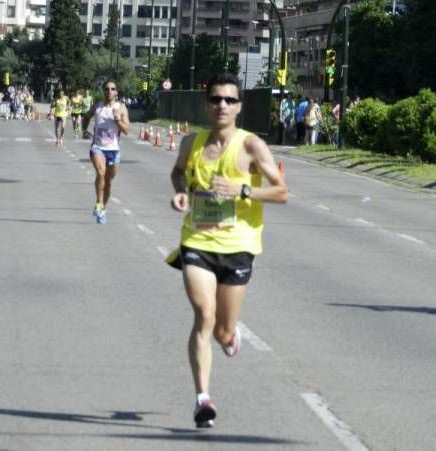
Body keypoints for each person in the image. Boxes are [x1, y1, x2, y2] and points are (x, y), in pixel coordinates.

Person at [167, 72, 288, 428]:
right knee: (203, 314)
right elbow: (177, 173)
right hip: (198, 240)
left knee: (222, 330)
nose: (222, 105)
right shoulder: (191, 142)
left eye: (229, 100)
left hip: (238, 245)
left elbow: (281, 192)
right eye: (216, 99)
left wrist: (243, 191)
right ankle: (202, 398)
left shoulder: (252, 146)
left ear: (239, 107)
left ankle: (228, 337)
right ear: (207, 104)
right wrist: (180, 192)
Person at [82, 80, 129, 224]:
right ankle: (98, 201)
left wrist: (118, 120)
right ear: (103, 91)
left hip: (113, 150)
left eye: (112, 89)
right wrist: (85, 130)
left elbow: (126, 130)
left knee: (108, 182)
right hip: (98, 147)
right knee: (101, 173)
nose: (109, 91)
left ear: (116, 92)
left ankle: (102, 208)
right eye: (107, 89)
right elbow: (86, 117)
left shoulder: (121, 108)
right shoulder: (97, 106)